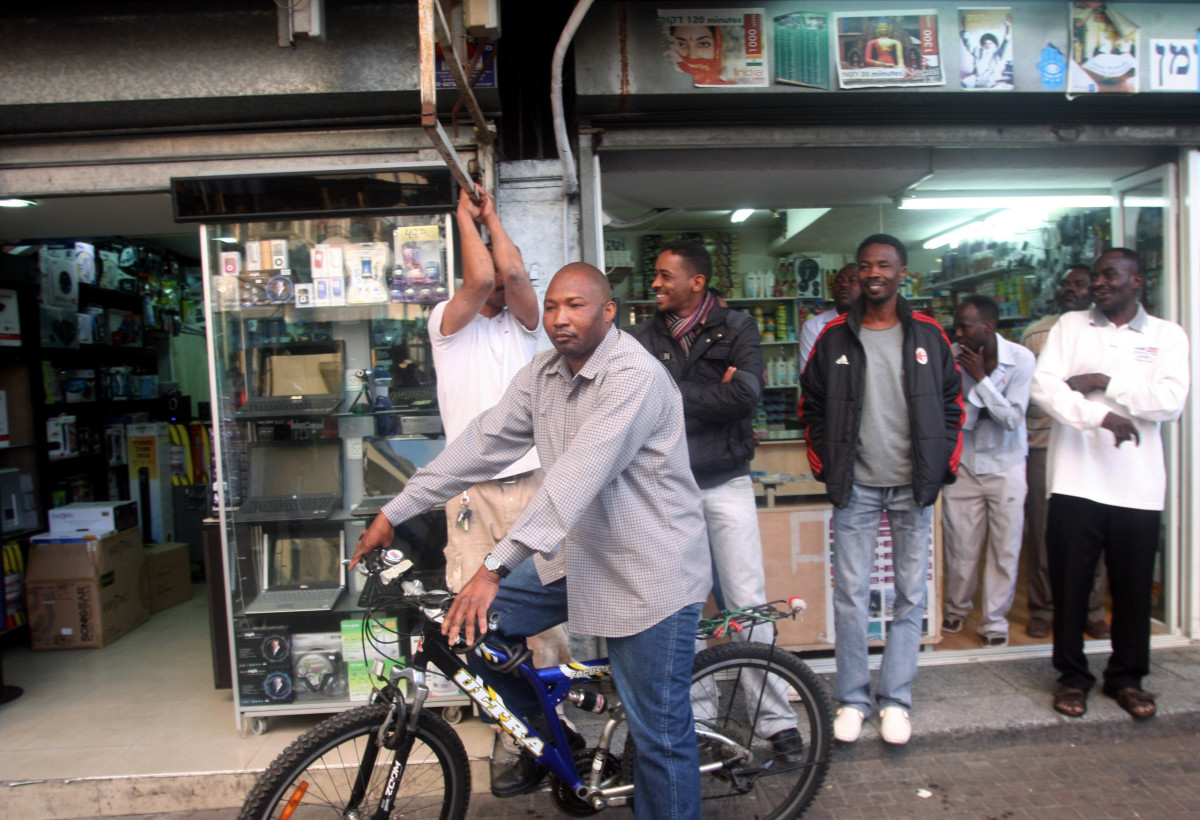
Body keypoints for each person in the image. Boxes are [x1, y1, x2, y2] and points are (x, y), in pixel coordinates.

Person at [353, 263, 711, 819]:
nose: (560, 318)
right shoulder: (543, 375)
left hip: (648, 570)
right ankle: (553, 743)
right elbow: (482, 444)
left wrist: (492, 568)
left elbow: (573, 482)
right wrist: (394, 511)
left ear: (608, 312)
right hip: (580, 554)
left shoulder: (633, 377)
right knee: (467, 631)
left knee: (659, 737)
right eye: (551, 307)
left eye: (576, 305)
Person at [630, 239, 803, 761]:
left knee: (747, 602)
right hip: (668, 488)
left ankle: (776, 719)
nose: (655, 284)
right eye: (655, 275)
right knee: (683, 606)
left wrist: (672, 394)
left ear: (696, 281)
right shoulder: (641, 338)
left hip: (726, 481)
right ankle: (701, 719)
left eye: (665, 275)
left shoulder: (738, 327)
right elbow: (638, 404)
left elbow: (746, 395)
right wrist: (712, 394)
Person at [431, 185, 570, 785]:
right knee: (475, 620)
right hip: (472, 492)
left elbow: (508, 274)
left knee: (544, 621)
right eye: (482, 262)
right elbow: (483, 277)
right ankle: (520, 739)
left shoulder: (527, 326)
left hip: (535, 485)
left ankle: (555, 741)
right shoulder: (446, 322)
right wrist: (466, 218)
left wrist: (490, 215)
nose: (497, 276)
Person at [800, 233, 962, 746]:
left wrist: (942, 466)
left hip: (913, 487)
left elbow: (953, 404)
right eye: (866, 265)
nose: (875, 274)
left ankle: (895, 700)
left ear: (902, 273)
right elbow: (811, 405)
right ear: (856, 272)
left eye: (885, 265)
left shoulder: (929, 334)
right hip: (858, 487)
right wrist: (827, 465)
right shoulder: (833, 338)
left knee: (911, 596)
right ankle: (853, 699)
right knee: (850, 596)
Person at [1031, 248, 1189, 722]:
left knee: (1133, 589)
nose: (1099, 283)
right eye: (1095, 276)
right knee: (1071, 586)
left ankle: (1127, 677)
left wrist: (1106, 382)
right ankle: (1072, 676)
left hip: (1137, 485)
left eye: (1109, 275)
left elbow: (1170, 401)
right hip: (1075, 481)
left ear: (1137, 281)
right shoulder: (1070, 327)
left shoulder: (1166, 335)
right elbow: (1045, 388)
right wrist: (1101, 417)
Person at [941, 295, 1035, 648]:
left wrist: (980, 379)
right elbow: (954, 414)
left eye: (965, 327)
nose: (958, 333)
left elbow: (1011, 419)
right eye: (957, 326)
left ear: (988, 327)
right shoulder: (951, 356)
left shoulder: (1021, 359)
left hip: (1007, 465)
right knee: (960, 545)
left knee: (1005, 548)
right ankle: (956, 607)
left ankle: (994, 621)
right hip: (964, 463)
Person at [1021, 265, 1109, 641]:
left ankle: (1092, 609)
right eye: (1066, 283)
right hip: (1044, 445)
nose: (1070, 289)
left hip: (1096, 446)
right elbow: (1027, 391)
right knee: (1043, 533)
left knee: (1096, 531)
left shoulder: (1110, 335)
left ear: (1095, 289)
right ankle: (1043, 609)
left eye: (1080, 284)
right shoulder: (1036, 333)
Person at [799, 263, 861, 369]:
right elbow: (810, 373)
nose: (844, 284)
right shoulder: (814, 326)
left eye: (852, 280)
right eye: (838, 281)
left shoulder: (875, 324)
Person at [669, 24, 733, 86]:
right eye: (681, 45)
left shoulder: (730, 89)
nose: (692, 56)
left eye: (703, 44)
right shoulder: (665, 87)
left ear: (717, 48)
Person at [961, 15, 1013, 89]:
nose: (988, 45)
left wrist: (1008, 27)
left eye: (990, 43)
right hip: (976, 81)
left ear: (995, 45)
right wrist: (963, 24)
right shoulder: (977, 52)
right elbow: (966, 40)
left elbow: (1006, 41)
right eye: (986, 43)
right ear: (982, 45)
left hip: (991, 82)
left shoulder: (997, 55)